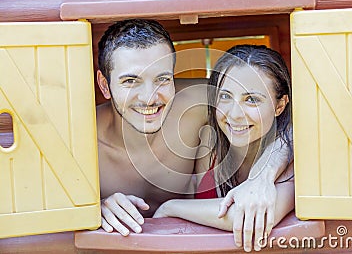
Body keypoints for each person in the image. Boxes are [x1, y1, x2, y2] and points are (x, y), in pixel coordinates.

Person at [96, 19, 292, 251]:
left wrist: (264, 176)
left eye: (162, 79)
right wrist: (93, 207)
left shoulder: (203, 101)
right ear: (105, 85)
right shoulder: (81, 137)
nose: (149, 97)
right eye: (130, 81)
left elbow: (292, 122)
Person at [153, 45, 294, 252]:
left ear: (279, 106)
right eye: (226, 96)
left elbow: (245, 215)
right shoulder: (210, 145)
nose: (235, 114)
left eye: (252, 100)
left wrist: (170, 207)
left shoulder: (291, 159)